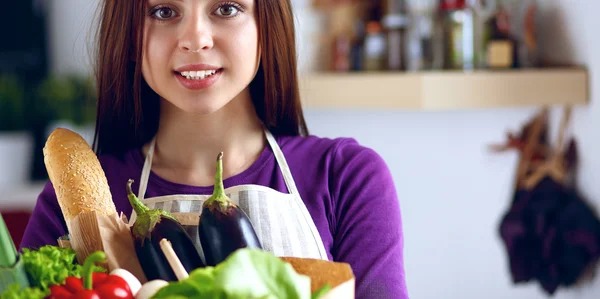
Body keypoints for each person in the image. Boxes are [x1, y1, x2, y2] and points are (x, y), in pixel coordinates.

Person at [20, 0, 408, 298]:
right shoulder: (71, 205)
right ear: (129, 34)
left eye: (226, 8)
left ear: (266, 25)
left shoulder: (347, 177)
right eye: (164, 10)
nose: (196, 39)